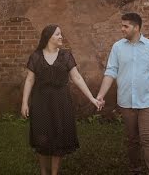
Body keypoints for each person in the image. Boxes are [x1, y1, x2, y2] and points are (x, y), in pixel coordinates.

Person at [21, 24, 101, 175]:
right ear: (48, 37)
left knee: (58, 137)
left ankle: (54, 173)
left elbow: (76, 77)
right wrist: (25, 102)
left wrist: (92, 98)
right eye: (58, 34)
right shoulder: (36, 56)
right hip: (40, 103)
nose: (61, 37)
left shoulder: (66, 56)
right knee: (41, 137)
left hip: (61, 103)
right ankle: (44, 172)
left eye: (61, 34)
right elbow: (30, 80)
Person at [96, 12, 149, 175]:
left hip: (148, 102)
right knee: (132, 140)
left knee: (148, 140)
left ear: (136, 27)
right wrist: (101, 94)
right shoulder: (117, 47)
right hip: (126, 102)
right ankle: (135, 170)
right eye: (122, 25)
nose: (122, 29)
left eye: (125, 26)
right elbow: (111, 72)